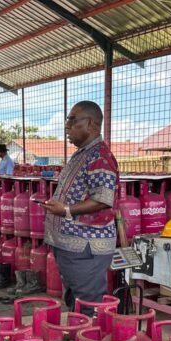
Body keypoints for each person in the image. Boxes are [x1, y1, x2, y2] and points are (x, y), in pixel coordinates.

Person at [43, 101, 117, 312]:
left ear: (91, 123)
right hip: (72, 246)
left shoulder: (99, 156)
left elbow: (102, 198)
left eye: (72, 120)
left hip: (86, 248)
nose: (67, 126)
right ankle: (79, 330)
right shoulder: (83, 153)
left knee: (87, 304)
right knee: (75, 300)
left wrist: (66, 210)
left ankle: (90, 332)